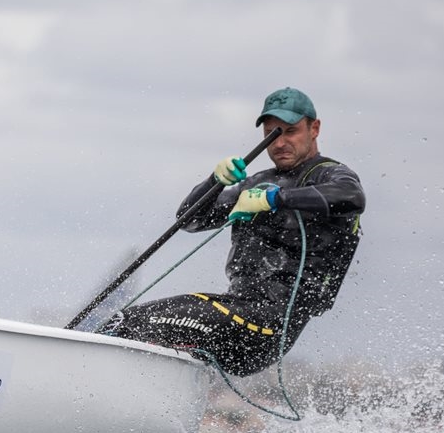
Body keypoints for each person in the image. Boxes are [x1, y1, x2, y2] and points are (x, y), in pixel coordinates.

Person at [102, 87, 366, 376]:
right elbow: (189, 220)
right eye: (272, 134)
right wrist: (214, 182)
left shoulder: (328, 174)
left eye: (290, 131)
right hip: (235, 314)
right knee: (128, 326)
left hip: (270, 326)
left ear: (314, 129)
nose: (280, 142)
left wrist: (275, 199)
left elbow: (352, 197)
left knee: (127, 322)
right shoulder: (255, 184)